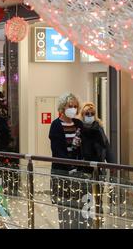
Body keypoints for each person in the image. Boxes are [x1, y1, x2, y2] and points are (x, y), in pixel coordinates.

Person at [48, 92, 86, 229]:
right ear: (63, 107)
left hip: (78, 176)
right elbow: (57, 151)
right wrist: (71, 167)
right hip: (63, 173)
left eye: (76, 106)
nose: (74, 109)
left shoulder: (79, 124)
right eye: (70, 106)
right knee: (65, 212)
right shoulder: (56, 125)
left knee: (79, 212)